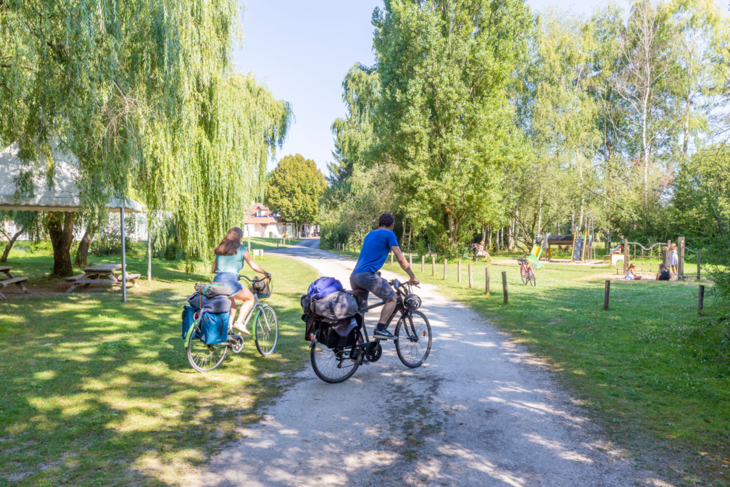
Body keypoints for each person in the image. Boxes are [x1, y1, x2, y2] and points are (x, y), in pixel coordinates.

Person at [350, 212, 419, 340]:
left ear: (379, 223)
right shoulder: (389, 234)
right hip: (367, 275)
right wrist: (412, 276)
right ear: (392, 225)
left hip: (355, 276)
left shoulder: (370, 234)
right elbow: (400, 258)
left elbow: (369, 256)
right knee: (392, 298)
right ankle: (380, 329)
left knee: (360, 311)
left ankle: (356, 347)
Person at [212, 227, 270, 334]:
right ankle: (239, 323)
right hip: (230, 281)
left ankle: (227, 334)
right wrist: (265, 273)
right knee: (250, 298)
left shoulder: (220, 249)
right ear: (239, 237)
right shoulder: (242, 249)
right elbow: (254, 266)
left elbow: (214, 269)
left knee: (232, 309)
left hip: (217, 282)